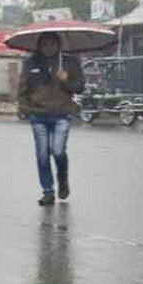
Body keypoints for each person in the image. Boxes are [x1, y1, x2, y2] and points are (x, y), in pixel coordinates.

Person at [18, 33, 84, 206]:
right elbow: (23, 88)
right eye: (45, 44)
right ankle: (48, 191)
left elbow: (80, 87)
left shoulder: (70, 62)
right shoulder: (31, 63)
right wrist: (23, 108)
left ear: (58, 45)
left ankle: (63, 181)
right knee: (42, 155)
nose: (49, 47)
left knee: (58, 151)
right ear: (39, 46)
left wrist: (66, 80)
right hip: (38, 115)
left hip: (62, 114)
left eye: (52, 44)